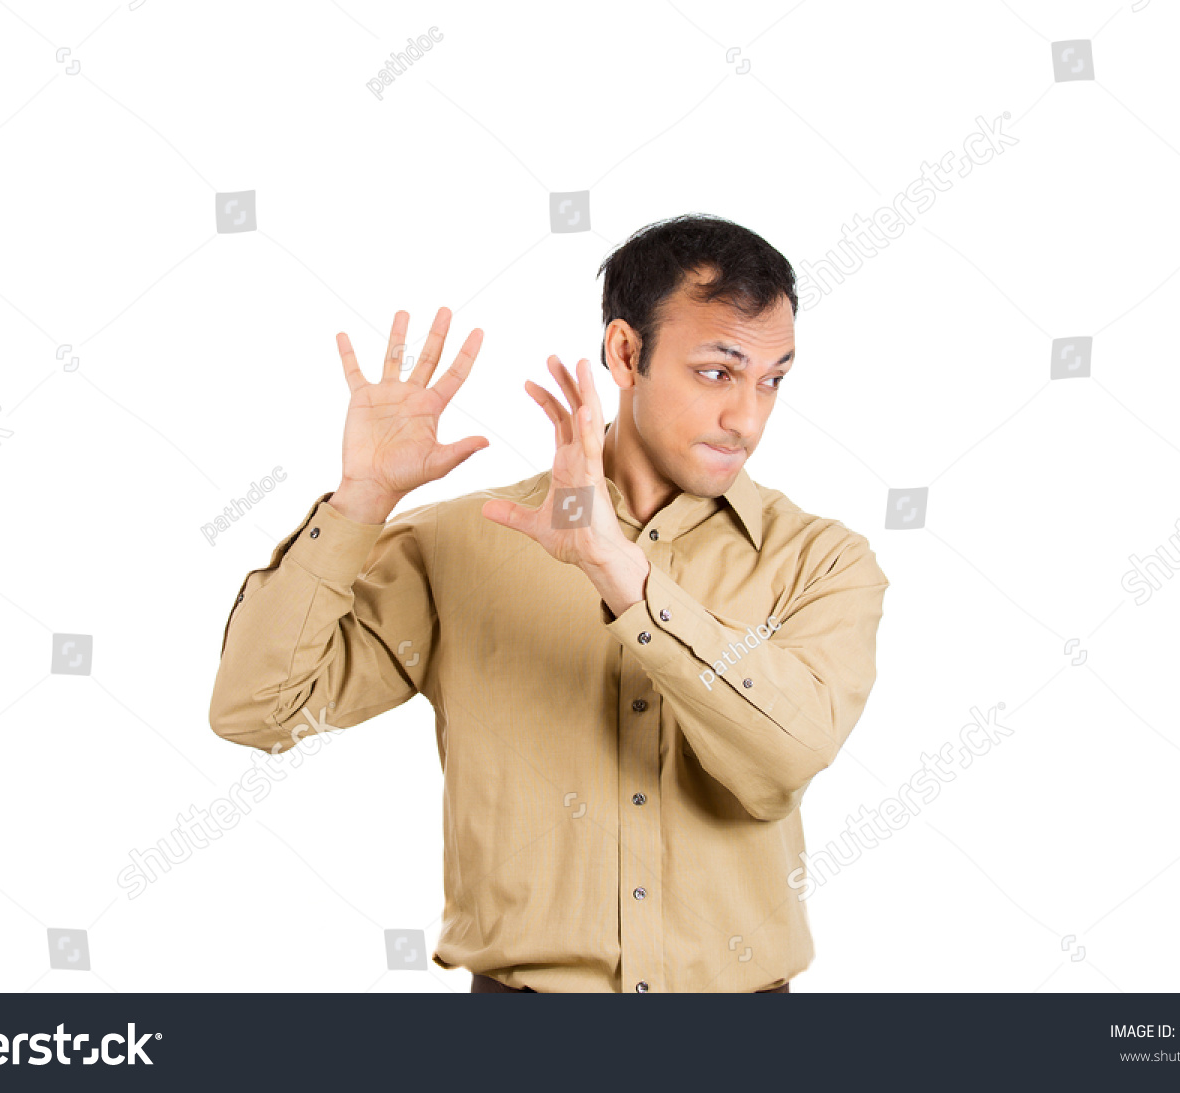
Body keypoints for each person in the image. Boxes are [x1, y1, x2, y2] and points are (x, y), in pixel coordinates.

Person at [209, 214, 890, 993]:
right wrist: (361, 500)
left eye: (773, 378)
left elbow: (785, 759)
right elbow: (257, 711)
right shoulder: (463, 542)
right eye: (717, 372)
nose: (748, 417)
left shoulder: (822, 561)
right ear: (626, 353)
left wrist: (622, 579)